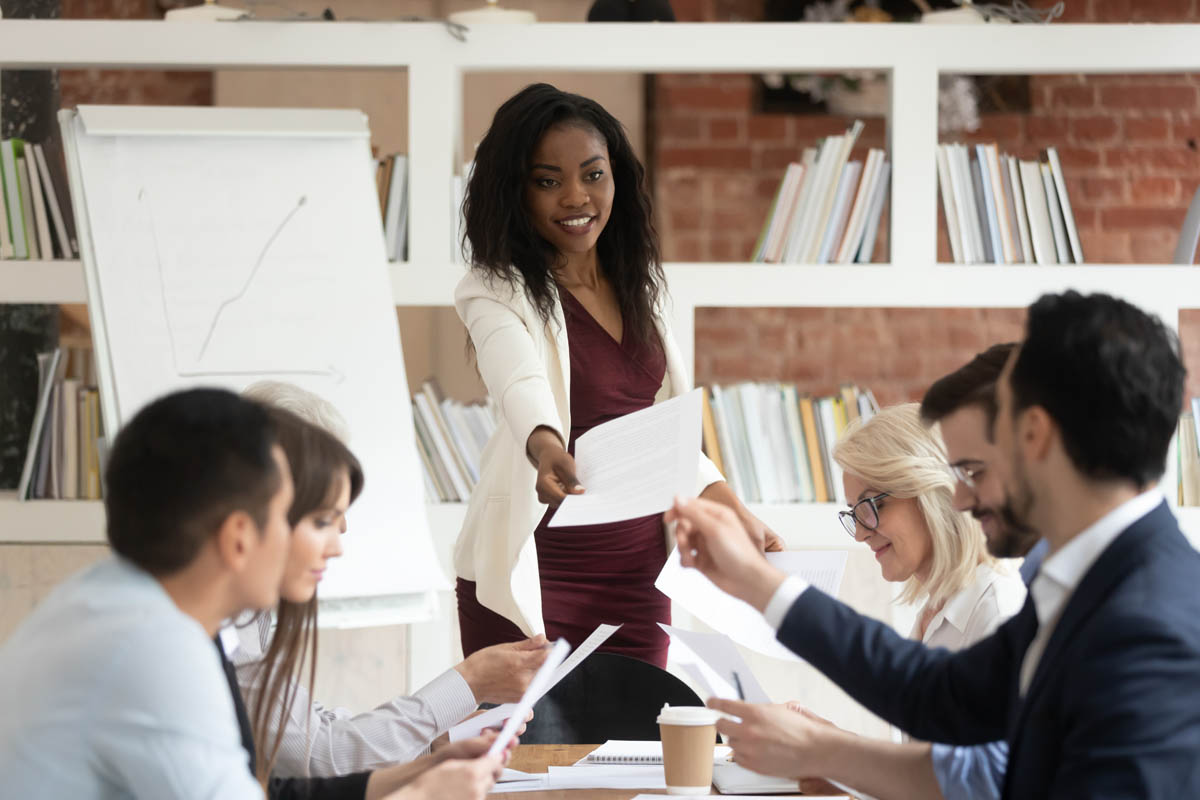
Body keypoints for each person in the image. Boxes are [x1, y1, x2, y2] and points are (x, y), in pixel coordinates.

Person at [668, 291, 1200, 798]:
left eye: (976, 467)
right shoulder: (1076, 580)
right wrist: (758, 583)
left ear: (1036, 436)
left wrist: (822, 751)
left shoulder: (1148, 622)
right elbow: (936, 694)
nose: (962, 499)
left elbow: (990, 779)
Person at [453, 82, 780, 668]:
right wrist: (545, 445)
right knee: (518, 757)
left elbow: (660, 430)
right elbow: (518, 378)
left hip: (635, 576)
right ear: (515, 191)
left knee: (641, 752)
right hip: (537, 568)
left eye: (593, 174)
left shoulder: (641, 288)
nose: (575, 197)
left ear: (616, 179)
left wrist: (733, 508)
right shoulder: (495, 288)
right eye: (547, 181)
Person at [232, 381, 548, 777]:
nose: (340, 536)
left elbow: (318, 734)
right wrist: (468, 682)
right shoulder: (228, 623)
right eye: (323, 517)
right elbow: (319, 758)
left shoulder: (248, 612)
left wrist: (437, 742)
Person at [0, 388, 291, 798]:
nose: (290, 537)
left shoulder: (97, 600)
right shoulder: (155, 645)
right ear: (239, 537)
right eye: (284, 516)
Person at [788, 344, 1044, 800]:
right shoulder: (937, 611)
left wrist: (833, 754)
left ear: (932, 492)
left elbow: (983, 788)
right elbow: (932, 775)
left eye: (871, 506)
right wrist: (834, 756)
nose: (862, 533)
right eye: (853, 513)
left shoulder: (998, 612)